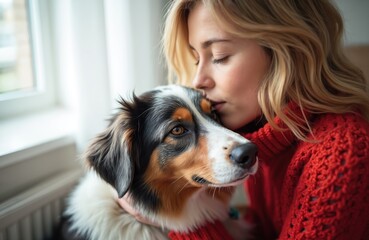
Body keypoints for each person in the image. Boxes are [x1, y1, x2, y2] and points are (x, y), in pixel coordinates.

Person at [119, 0, 369, 239]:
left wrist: (183, 223)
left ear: (285, 52)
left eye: (219, 56)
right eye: (196, 58)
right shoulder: (257, 131)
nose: (197, 81)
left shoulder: (341, 153)